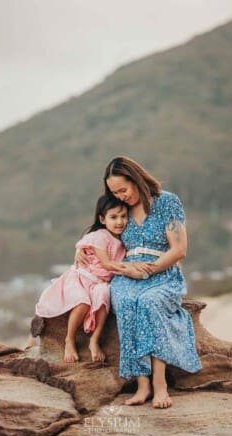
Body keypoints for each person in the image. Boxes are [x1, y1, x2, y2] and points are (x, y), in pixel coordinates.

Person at [76, 156, 202, 409]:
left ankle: (160, 384)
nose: (120, 196)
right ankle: (142, 384)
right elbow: (99, 234)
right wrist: (79, 250)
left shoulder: (167, 202)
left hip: (162, 271)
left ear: (137, 179)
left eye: (123, 189)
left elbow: (179, 250)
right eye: (114, 192)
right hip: (127, 272)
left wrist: (149, 271)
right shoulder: (119, 209)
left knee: (149, 301)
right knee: (124, 300)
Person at [35, 194, 144, 363]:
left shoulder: (123, 241)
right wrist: (131, 270)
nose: (120, 222)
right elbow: (107, 264)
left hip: (99, 283)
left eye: (123, 216)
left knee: (103, 296)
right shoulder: (100, 235)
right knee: (82, 302)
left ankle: (95, 340)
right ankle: (69, 339)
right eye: (113, 217)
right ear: (102, 219)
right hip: (80, 278)